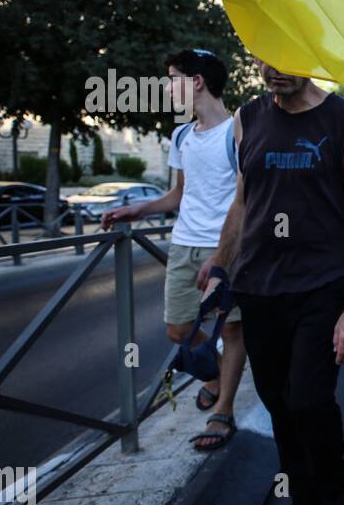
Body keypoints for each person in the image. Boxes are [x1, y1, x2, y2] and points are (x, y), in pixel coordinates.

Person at [209, 61, 344, 505]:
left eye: (286, 60)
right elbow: (244, 199)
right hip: (258, 288)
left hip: (321, 286)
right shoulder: (247, 117)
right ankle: (302, 502)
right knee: (278, 401)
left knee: (309, 398)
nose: (273, 71)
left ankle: (337, 493)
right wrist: (220, 264)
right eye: (264, 60)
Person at [102, 48, 245, 450]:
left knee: (232, 329)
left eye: (171, 78)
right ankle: (215, 377)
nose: (166, 88)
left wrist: (224, 254)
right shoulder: (181, 134)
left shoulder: (237, 129)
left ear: (195, 81)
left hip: (227, 247)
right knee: (178, 328)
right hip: (184, 246)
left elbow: (245, 196)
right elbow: (178, 195)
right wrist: (137, 209)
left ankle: (224, 411)